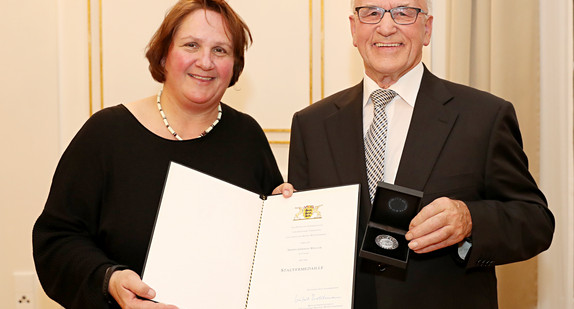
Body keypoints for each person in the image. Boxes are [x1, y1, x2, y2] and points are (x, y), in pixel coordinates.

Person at [287, 0, 555, 308]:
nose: (386, 27)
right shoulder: (311, 124)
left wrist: (470, 221)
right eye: (371, 12)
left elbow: (535, 221)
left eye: (403, 12)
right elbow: (304, 234)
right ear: (354, 28)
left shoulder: (484, 116)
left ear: (426, 29)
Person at [33, 1, 289, 308]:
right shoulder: (106, 134)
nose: (205, 61)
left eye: (220, 50)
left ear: (234, 65)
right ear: (165, 54)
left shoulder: (248, 138)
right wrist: (110, 280)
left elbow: (267, 258)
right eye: (191, 45)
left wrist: (285, 216)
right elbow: (56, 242)